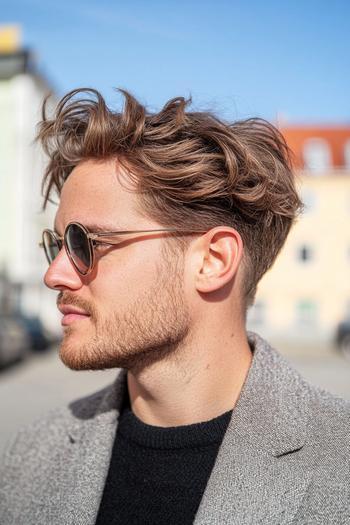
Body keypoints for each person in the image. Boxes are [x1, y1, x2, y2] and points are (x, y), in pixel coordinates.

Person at [1, 88, 349, 525]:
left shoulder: (339, 464)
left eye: (84, 243)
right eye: (56, 244)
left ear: (212, 261)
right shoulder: (34, 452)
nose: (54, 274)